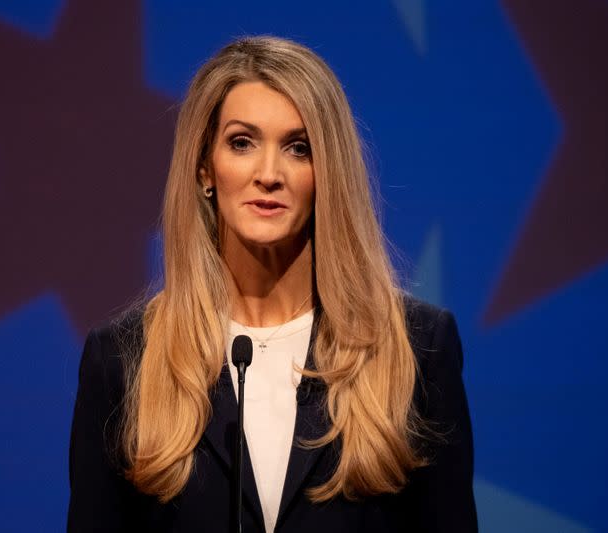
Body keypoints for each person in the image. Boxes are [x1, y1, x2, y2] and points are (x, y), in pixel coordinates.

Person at [68, 36, 477, 532]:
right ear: (204, 169)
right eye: (242, 143)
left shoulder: (416, 347)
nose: (269, 174)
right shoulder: (123, 360)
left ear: (327, 172)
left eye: (298, 148)